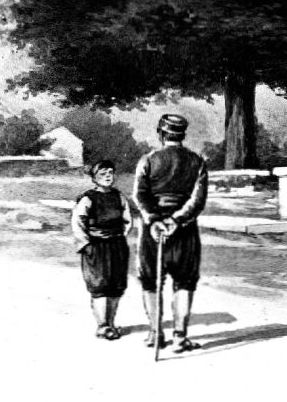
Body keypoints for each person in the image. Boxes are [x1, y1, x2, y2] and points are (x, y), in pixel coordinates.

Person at [133, 114, 208, 353]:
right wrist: (176, 220)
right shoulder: (197, 161)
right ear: (182, 135)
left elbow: (140, 195)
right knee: (184, 282)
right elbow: (198, 200)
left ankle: (155, 333)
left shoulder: (148, 159)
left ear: (160, 133)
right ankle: (179, 337)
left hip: (152, 231)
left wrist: (154, 220)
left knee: (150, 281)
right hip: (184, 230)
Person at [71, 160, 133, 340]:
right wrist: (86, 245)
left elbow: (127, 220)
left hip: (116, 246)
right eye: (103, 173)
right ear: (94, 178)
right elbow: (78, 223)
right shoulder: (88, 198)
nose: (108, 176)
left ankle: (111, 324)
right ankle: (102, 325)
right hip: (96, 248)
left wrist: (120, 236)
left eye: (111, 173)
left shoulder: (119, 196)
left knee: (116, 286)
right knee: (100, 286)